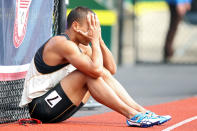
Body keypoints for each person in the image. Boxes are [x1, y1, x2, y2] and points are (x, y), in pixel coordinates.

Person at [19, 6, 171, 128]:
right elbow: (95, 71)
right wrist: (95, 42)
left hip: (57, 105)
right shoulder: (62, 44)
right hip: (40, 108)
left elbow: (110, 70)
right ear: (76, 26)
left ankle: (141, 111)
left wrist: (99, 40)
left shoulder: (81, 47)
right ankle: (132, 116)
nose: (94, 30)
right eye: (91, 26)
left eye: (96, 27)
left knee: (98, 71)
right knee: (87, 73)